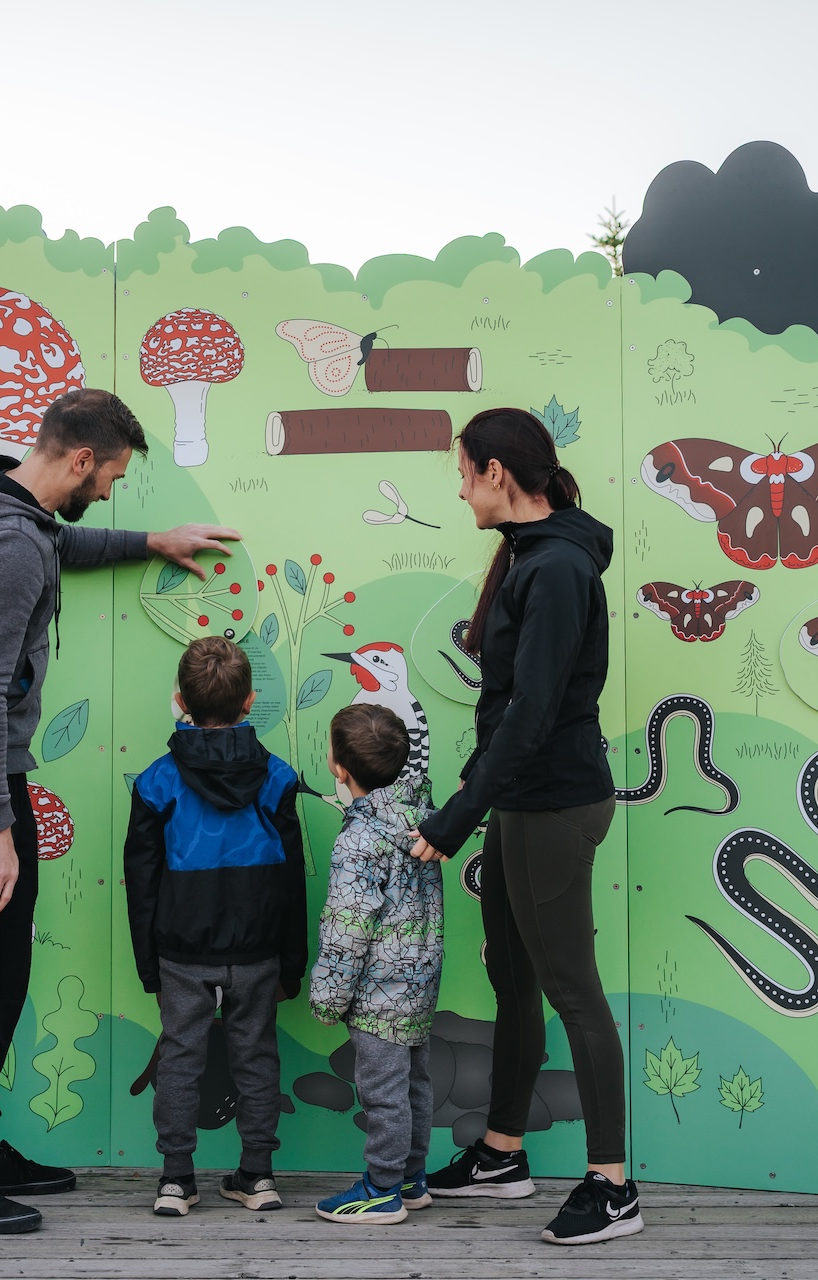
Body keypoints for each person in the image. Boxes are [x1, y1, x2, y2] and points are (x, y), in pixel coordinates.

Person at [0, 388, 237, 1235]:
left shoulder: (10, 514)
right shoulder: (10, 542)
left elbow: (60, 543)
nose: (112, 489)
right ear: (81, 460)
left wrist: (151, 541)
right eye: (112, 475)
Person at [409, 407, 640, 1246]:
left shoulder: (560, 567)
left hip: (555, 803)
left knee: (572, 988)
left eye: (464, 474)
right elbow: (505, 702)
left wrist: (457, 815)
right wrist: (480, 786)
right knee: (513, 977)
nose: (461, 490)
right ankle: (502, 1152)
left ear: (497, 473)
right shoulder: (526, 554)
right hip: (521, 798)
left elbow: (537, 709)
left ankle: (613, 1186)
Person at [124, 636, 307, 1219]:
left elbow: (141, 883)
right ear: (250, 701)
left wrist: (148, 967)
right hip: (258, 949)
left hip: (181, 949)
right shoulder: (278, 778)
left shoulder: (155, 782)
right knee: (257, 1056)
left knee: (181, 1057)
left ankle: (176, 1181)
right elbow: (292, 880)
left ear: (181, 701)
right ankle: (258, 1176)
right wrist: (293, 962)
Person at [309, 703, 444, 1226]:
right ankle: (411, 1178)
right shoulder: (425, 821)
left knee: (384, 1093)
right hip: (419, 983)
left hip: (377, 994)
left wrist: (328, 997)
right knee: (413, 1086)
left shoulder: (360, 839)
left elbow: (347, 929)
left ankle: (382, 1190)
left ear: (339, 768)